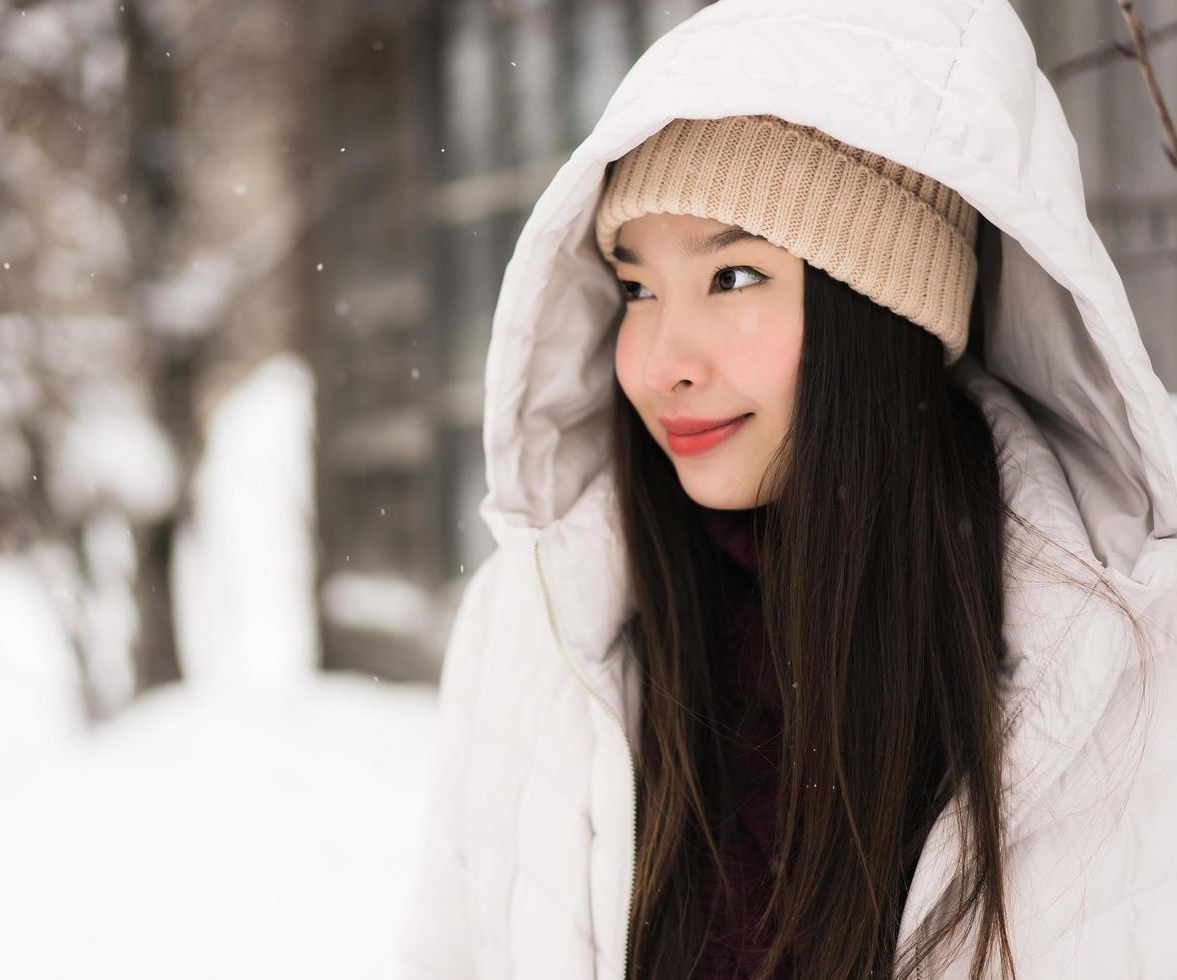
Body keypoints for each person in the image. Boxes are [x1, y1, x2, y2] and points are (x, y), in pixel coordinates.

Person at [398, 2, 1177, 979]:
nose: (660, 363)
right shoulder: (541, 623)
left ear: (883, 306)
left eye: (732, 277)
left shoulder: (1123, 652)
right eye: (637, 287)